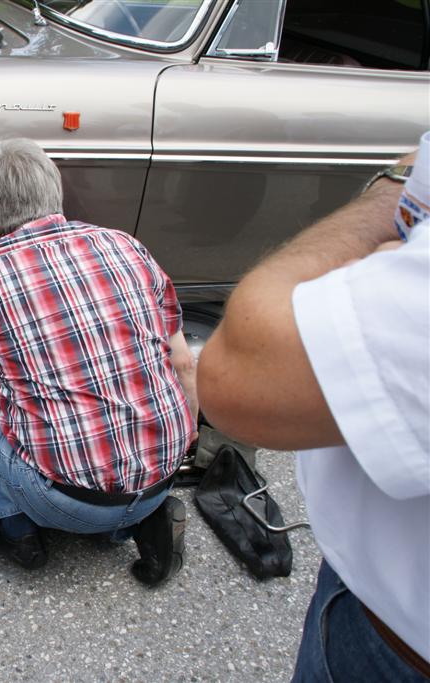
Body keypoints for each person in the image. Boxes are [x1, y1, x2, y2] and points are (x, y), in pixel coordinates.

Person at [196, 144, 429, 682]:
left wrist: (397, 186)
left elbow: (239, 381)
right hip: (379, 592)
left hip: (395, 644)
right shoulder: (118, 245)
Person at [0, 138, 198, 584]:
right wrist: (182, 449)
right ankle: (139, 519)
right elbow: (184, 364)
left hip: (63, 502)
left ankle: (14, 526)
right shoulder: (124, 245)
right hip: (164, 474)